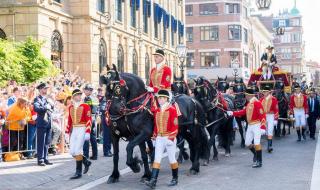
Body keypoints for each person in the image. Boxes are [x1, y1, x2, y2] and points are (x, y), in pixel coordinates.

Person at [145, 90, 179, 189]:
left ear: (166, 99)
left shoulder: (172, 109)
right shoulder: (158, 110)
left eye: (161, 98)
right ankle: (153, 181)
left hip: (169, 137)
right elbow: (156, 126)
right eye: (158, 98)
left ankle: (175, 178)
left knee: (172, 159)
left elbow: (175, 126)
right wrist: (154, 137)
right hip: (159, 137)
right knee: (157, 159)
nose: (159, 100)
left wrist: (171, 138)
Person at [227, 87, 266, 168]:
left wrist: (263, 127)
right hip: (250, 125)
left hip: (257, 125)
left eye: (246, 95)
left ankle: (259, 161)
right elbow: (244, 112)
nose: (245, 97)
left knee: (257, 143)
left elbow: (263, 115)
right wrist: (233, 113)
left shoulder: (257, 103)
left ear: (250, 95)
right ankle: (255, 154)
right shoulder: (249, 103)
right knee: (247, 143)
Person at [66, 89, 92, 179]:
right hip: (75, 130)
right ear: (73, 97)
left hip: (82, 128)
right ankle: (86, 161)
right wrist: (67, 131)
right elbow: (69, 121)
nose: (79, 96)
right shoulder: (70, 107)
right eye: (77, 95)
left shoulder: (85, 106)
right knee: (72, 151)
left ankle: (78, 172)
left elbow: (89, 120)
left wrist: (87, 132)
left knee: (77, 151)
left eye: (80, 95)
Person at [34, 82, 53, 166]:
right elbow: (36, 108)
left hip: (48, 122)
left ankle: (45, 158)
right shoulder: (37, 99)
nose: (46, 90)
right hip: (42, 123)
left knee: (47, 142)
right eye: (44, 88)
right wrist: (46, 107)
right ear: (40, 89)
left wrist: (51, 105)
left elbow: (52, 107)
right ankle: (40, 159)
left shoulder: (47, 99)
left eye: (46, 89)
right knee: (41, 142)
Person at [259, 84, 279, 153]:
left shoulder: (274, 99)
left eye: (266, 91)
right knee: (266, 131)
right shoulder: (261, 99)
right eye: (264, 91)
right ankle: (268, 145)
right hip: (264, 116)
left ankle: (270, 146)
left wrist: (275, 119)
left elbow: (276, 110)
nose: (265, 93)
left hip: (271, 116)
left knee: (270, 130)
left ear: (269, 92)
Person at [83, 84, 98, 160]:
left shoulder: (88, 99)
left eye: (85, 90)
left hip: (88, 118)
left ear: (89, 90)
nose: (84, 91)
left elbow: (86, 109)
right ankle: (95, 155)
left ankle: (85, 154)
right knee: (93, 137)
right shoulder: (95, 98)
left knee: (86, 136)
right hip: (93, 117)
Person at [98, 87, 113, 157]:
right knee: (106, 135)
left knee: (110, 135)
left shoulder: (112, 98)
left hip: (111, 118)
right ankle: (106, 151)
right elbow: (102, 108)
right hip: (106, 117)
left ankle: (109, 150)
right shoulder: (105, 98)